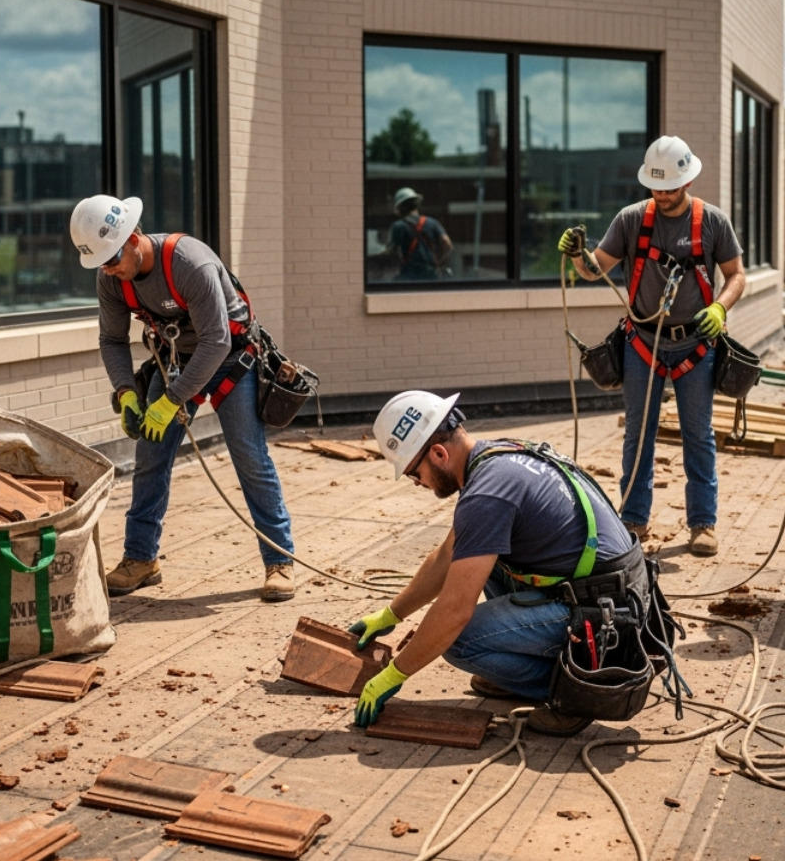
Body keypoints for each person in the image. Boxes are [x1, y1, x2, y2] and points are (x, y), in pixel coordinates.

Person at [345, 390, 649, 736]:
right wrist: (391, 615)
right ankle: (527, 667)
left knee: (459, 642)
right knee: (478, 560)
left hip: (605, 613)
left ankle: (577, 688)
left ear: (439, 453)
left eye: (415, 474)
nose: (418, 484)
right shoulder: (496, 454)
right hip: (611, 589)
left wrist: (396, 673)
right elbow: (447, 556)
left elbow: (454, 612)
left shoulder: (486, 495)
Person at [72, 195, 296, 603]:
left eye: (112, 259)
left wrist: (171, 400)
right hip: (176, 359)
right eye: (101, 263)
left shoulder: (190, 263)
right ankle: (140, 559)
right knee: (150, 457)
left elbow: (216, 340)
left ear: (134, 239)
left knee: (249, 454)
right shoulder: (110, 279)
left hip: (230, 358)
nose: (108, 269)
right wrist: (126, 393)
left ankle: (278, 559)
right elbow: (111, 339)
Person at [559, 136, 745, 556]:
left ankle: (703, 523)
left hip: (695, 346)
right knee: (638, 436)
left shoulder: (711, 222)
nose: (661, 195)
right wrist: (577, 254)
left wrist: (719, 308)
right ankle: (633, 520)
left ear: (687, 180)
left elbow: (736, 275)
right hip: (642, 344)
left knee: (698, 436)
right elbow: (594, 269)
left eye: (669, 187)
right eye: (655, 188)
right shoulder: (631, 220)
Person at [388, 187, 453, 280]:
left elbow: (391, 253)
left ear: (400, 207)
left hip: (409, 275)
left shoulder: (398, 226)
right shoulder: (432, 223)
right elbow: (447, 244)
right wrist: (438, 261)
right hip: (431, 274)